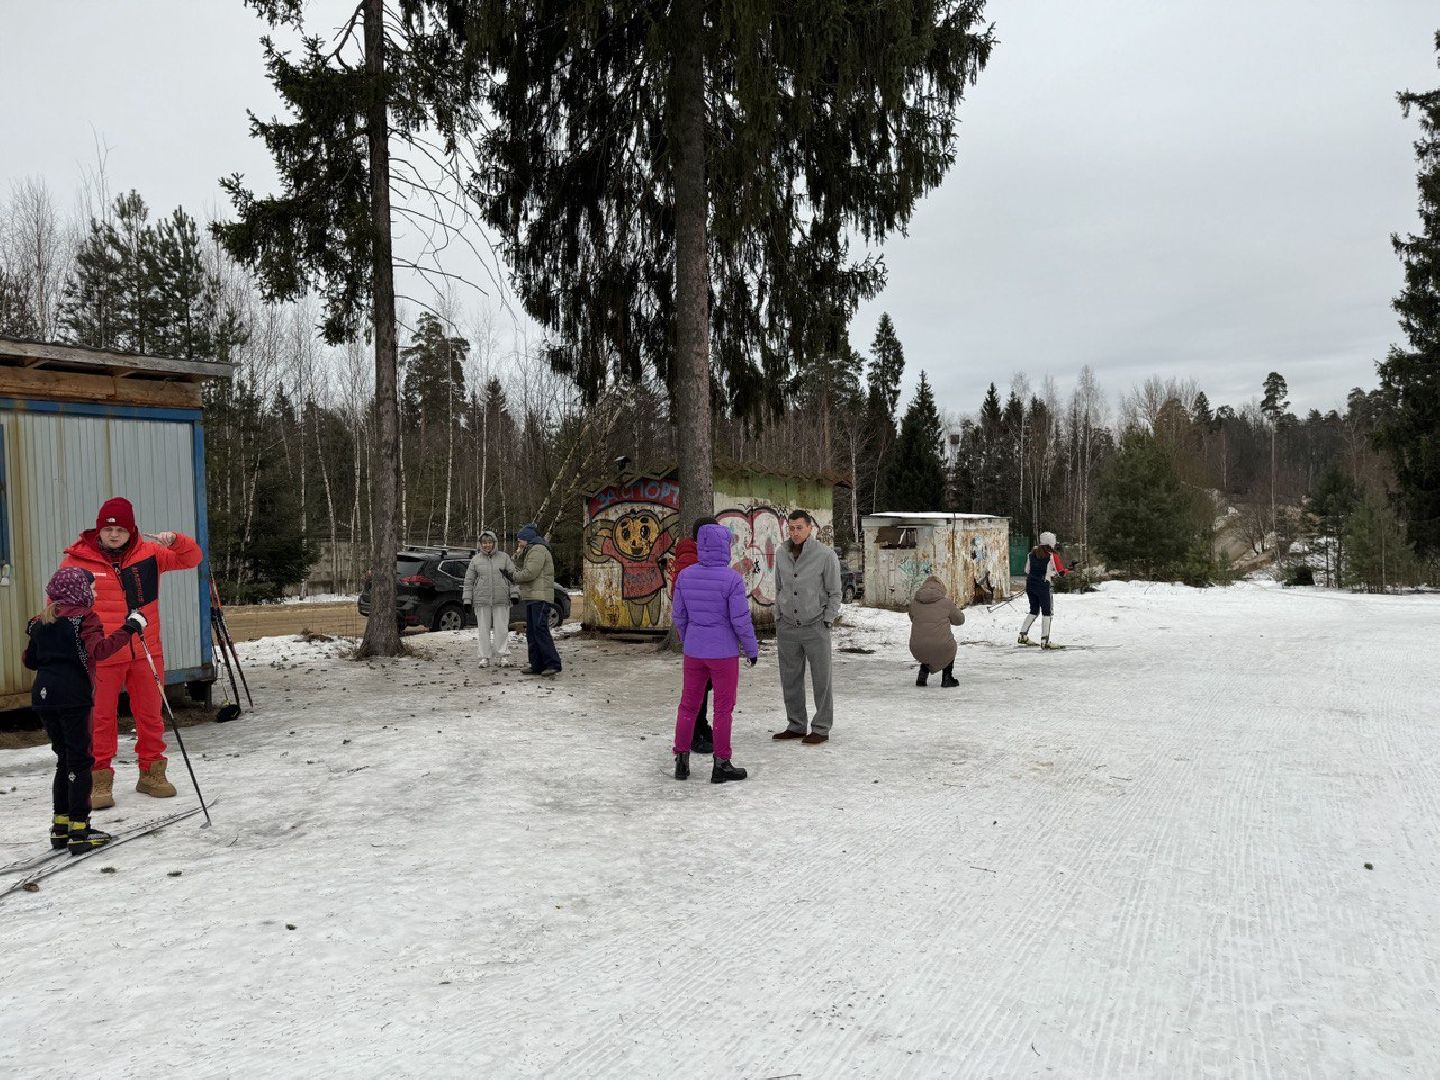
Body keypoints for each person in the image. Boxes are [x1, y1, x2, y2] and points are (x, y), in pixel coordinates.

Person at [61, 497, 202, 806]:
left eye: (121, 530)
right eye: (108, 529)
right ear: (99, 530)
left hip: (146, 652)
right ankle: (98, 780)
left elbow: (192, 558)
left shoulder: (150, 553)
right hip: (102, 656)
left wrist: (176, 540)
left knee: (151, 716)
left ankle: (151, 774)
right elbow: (59, 601)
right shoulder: (78, 559)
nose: (114, 535)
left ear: (132, 530)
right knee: (99, 719)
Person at [22, 568, 147, 854]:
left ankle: (60, 827)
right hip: (72, 695)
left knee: (64, 760)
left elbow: (30, 660)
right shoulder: (84, 618)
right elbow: (99, 650)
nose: (94, 592)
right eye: (91, 588)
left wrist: (52, 650)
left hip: (44, 696)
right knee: (80, 762)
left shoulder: (41, 621)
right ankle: (80, 830)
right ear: (77, 590)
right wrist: (130, 627)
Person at [671, 523, 759, 783]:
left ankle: (681, 760)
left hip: (694, 651)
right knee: (723, 708)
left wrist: (688, 639)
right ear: (725, 546)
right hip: (723, 654)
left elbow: (679, 615)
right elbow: (740, 620)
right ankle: (721, 763)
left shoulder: (685, 576)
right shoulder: (731, 579)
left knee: (688, 705)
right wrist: (751, 649)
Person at [771, 509, 842, 745]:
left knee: (822, 680)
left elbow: (835, 592)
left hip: (815, 626)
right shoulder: (781, 553)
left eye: (799, 528)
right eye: (791, 528)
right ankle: (796, 725)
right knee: (790, 679)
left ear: (810, 528)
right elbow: (779, 587)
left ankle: (821, 728)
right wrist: (778, 616)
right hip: (787, 626)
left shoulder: (825, 555)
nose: (795, 533)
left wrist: (827, 620)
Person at [666, 516, 718, 753]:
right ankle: (695, 733)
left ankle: (701, 726)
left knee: (704, 684)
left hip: (704, 633)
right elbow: (684, 602)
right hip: (700, 633)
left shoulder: (696, 556)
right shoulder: (691, 560)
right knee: (698, 687)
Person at [463, 530, 519, 668]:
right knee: (483, 630)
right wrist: (467, 600)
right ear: (480, 544)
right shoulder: (475, 560)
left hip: (501, 598)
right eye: (484, 543)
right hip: (481, 600)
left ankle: (503, 655)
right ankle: (484, 657)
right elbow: (468, 581)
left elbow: (513, 577)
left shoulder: (504, 557)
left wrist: (514, 594)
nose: (487, 545)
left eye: (489, 542)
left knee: (502, 629)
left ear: (494, 543)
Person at [512, 523, 561, 676]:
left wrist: (513, 576)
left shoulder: (538, 549)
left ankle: (553, 663)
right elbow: (522, 568)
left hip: (540, 597)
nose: (518, 542)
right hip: (533, 596)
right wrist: (518, 555)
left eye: (520, 539)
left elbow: (530, 573)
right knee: (532, 632)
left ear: (527, 538)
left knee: (540, 630)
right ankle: (537, 664)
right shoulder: (531, 550)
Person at [1018, 530, 1072, 650]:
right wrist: (1070, 569)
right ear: (1051, 542)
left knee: (1034, 610)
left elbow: (1027, 570)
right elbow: (1061, 572)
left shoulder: (1031, 554)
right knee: (1047, 612)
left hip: (1030, 584)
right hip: (1043, 586)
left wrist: (1048, 572)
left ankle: (1022, 635)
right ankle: (1045, 641)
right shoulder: (1052, 555)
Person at [908, 576, 964, 687]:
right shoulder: (946, 603)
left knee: (927, 644)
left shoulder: (914, 603)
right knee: (947, 646)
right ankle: (947, 678)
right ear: (941, 588)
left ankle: (922, 677)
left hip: (917, 648)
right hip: (941, 646)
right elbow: (960, 620)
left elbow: (912, 618)